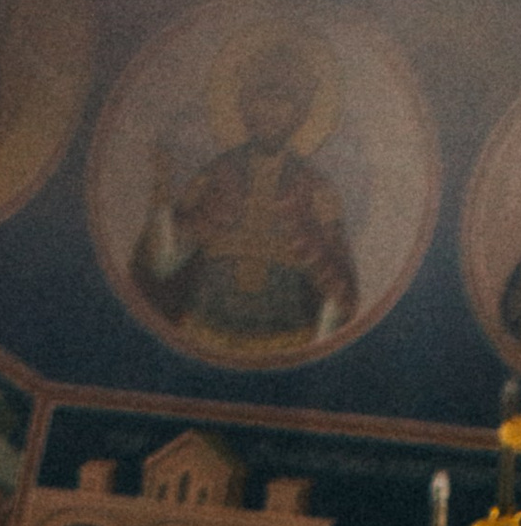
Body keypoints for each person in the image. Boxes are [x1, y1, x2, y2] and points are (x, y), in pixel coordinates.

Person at [130, 30, 359, 358]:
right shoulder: (215, 177)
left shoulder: (317, 191)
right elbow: (163, 265)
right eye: (262, 98)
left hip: (291, 338)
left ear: (301, 112)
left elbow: (337, 290)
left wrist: (316, 348)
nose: (271, 111)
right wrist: (162, 192)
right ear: (245, 105)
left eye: (285, 101)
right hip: (200, 332)